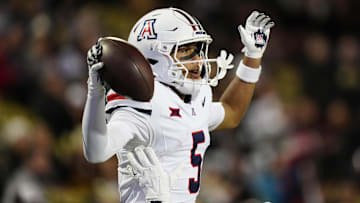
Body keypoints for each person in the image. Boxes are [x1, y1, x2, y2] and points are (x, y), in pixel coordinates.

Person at [82, 7, 274, 203]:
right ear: (152, 58)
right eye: (185, 51)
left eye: (198, 49)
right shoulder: (143, 103)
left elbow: (231, 112)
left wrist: (252, 56)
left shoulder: (195, 95)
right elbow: (97, 151)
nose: (198, 60)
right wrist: (95, 93)